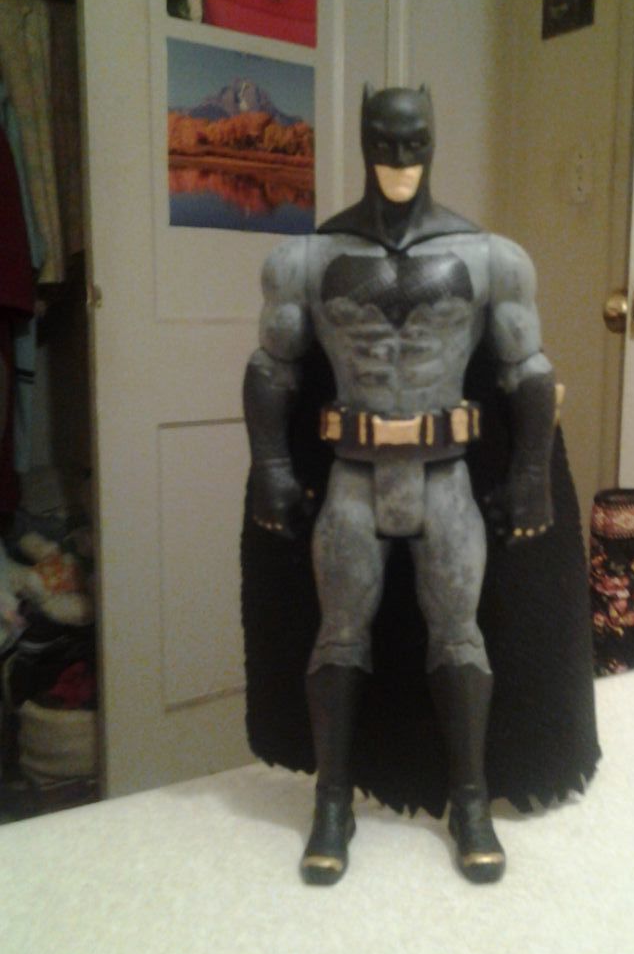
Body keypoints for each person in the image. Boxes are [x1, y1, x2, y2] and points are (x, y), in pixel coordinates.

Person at [242, 85, 600, 885]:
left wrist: (532, 472)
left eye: (415, 142)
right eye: (385, 141)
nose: (400, 159)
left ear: (434, 140)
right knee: (338, 632)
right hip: (353, 476)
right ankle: (332, 802)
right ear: (363, 139)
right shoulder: (307, 260)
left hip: (446, 478)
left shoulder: (490, 257)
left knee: (460, 632)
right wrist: (271, 467)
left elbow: (527, 371)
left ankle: (469, 800)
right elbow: (271, 370)